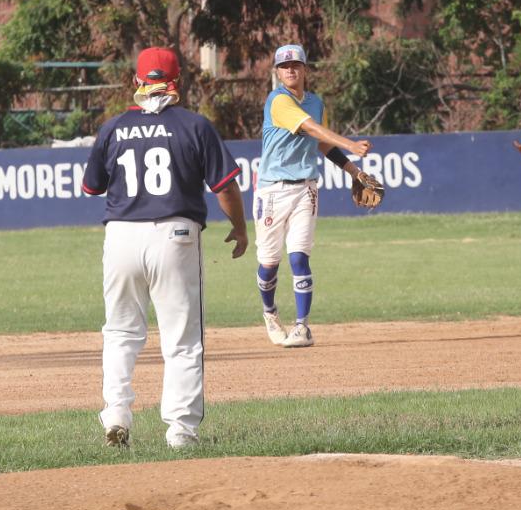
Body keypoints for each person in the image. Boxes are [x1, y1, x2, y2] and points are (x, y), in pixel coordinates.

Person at [80, 46, 249, 449]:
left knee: (120, 331)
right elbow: (225, 186)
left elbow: (92, 187)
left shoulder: (113, 127)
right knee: (183, 339)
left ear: (137, 82)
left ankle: (116, 413)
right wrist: (240, 228)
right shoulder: (194, 125)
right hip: (175, 234)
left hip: (121, 236)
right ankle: (180, 431)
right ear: (179, 83)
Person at [253, 43, 372, 349]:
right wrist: (351, 144)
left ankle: (302, 327)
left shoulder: (316, 102)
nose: (290, 69)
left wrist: (353, 171)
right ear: (278, 73)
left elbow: (321, 144)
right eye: (284, 66)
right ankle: (270, 313)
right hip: (272, 190)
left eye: (295, 65)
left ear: (305, 69)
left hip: (306, 187)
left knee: (299, 257)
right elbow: (310, 128)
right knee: (269, 263)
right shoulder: (277, 100)